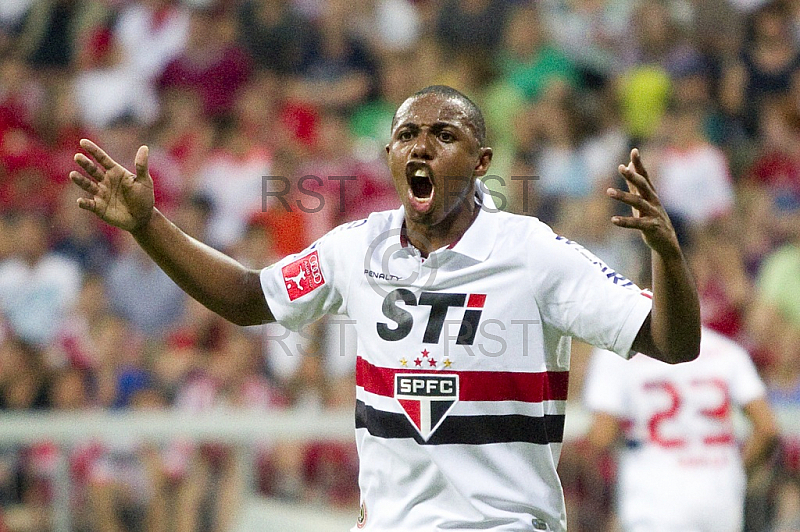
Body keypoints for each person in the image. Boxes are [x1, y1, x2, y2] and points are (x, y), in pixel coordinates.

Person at [69, 85, 701, 532]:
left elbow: (673, 343)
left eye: (443, 135)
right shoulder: (356, 247)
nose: (421, 147)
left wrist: (668, 258)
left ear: (482, 164)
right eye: (407, 136)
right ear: (391, 158)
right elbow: (247, 298)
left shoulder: (531, 252)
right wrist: (149, 224)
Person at [582, 327, 779, 532]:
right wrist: (737, 473)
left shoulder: (616, 353)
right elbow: (767, 429)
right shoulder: (726, 350)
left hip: (654, 493)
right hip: (718, 491)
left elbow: (602, 435)